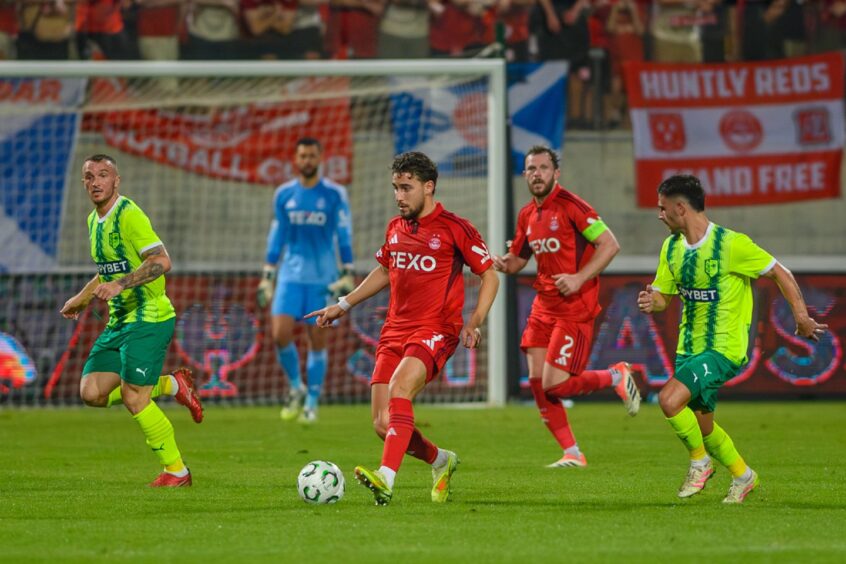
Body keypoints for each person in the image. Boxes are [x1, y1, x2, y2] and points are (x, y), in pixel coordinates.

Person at [306, 151, 499, 506]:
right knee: (383, 424)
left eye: (406, 188)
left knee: (399, 390)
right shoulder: (396, 228)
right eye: (395, 188)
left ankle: (386, 478)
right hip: (395, 329)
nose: (399, 196)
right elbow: (384, 271)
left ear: (428, 187)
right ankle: (442, 460)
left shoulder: (456, 228)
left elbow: (489, 274)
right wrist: (342, 305)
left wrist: (475, 320)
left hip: (437, 328)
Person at [637, 174, 828, 504]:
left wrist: (801, 317)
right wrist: (650, 301)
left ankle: (700, 464)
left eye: (662, 208)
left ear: (680, 208)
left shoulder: (731, 244)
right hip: (690, 348)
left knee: (669, 400)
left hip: (725, 349)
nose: (659, 215)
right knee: (704, 427)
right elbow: (663, 297)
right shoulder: (671, 247)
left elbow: (780, 272)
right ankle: (744, 476)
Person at [60, 154, 204, 488]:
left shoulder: (129, 214)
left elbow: (161, 261)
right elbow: (107, 271)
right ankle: (171, 384)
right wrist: (80, 299)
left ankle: (177, 471)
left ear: (116, 180)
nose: (96, 182)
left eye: (103, 175)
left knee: (134, 397)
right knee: (91, 392)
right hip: (120, 321)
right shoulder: (93, 221)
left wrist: (121, 284)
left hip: (149, 316)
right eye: (89, 176)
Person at [491, 145, 640, 468]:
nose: (537, 174)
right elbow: (518, 260)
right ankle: (572, 453)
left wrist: (578, 277)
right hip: (543, 305)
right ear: (525, 175)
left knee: (555, 384)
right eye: (531, 169)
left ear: (555, 173)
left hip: (575, 306)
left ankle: (615, 376)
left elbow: (609, 244)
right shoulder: (527, 215)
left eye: (544, 168)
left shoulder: (573, 207)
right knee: (536, 380)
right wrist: (502, 263)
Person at [257, 138, 354, 424]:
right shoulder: (284, 194)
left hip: (323, 277)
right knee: (279, 333)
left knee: (317, 339)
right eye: (303, 155)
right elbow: (278, 235)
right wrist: (267, 275)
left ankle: (312, 400)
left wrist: (347, 270)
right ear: (296, 159)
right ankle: (296, 387)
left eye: (312, 155)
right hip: (289, 275)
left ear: (320, 158)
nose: (307, 160)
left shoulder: (335, 194)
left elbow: (344, 234)